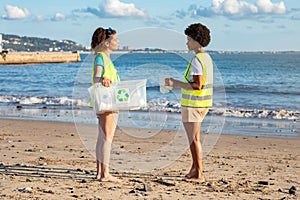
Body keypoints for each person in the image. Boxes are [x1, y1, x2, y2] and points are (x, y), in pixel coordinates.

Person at [165, 23, 213, 182]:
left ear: (197, 41)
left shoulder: (197, 60)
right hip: (203, 103)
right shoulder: (207, 58)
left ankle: (199, 174)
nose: (187, 43)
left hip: (194, 104)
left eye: (189, 39)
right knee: (195, 138)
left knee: (194, 139)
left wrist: (174, 83)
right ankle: (194, 168)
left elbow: (197, 85)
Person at [91, 27, 121, 182]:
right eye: (115, 39)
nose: (118, 42)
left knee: (102, 137)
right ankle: (105, 174)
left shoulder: (103, 57)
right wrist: (103, 80)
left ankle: (99, 172)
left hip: (105, 100)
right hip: (106, 101)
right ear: (107, 43)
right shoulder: (101, 57)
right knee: (107, 137)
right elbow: (97, 77)